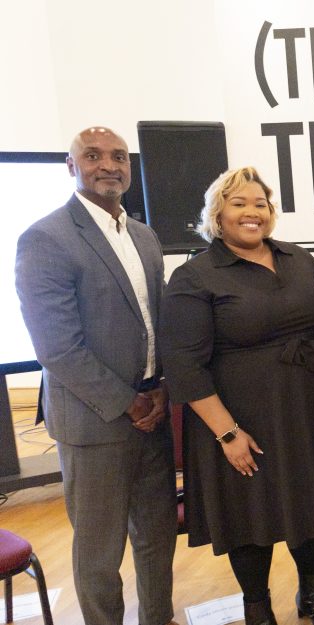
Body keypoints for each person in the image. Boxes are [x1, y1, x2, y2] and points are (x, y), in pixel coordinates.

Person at [159, 167, 314, 625]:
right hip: (238, 418)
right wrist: (227, 434)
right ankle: (257, 607)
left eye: (260, 204)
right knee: (248, 513)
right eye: (238, 203)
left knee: (310, 503)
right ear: (217, 214)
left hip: (305, 408)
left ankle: (311, 595)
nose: (252, 212)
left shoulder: (297, 259)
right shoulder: (195, 276)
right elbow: (183, 365)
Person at [14, 127, 179, 625]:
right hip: (95, 423)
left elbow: (157, 321)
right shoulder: (46, 238)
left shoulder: (144, 235)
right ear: (71, 166)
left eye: (118, 156)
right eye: (93, 156)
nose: (108, 165)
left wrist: (163, 387)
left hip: (153, 411)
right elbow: (57, 347)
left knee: (157, 537)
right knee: (100, 551)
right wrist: (130, 402)